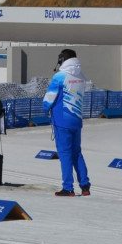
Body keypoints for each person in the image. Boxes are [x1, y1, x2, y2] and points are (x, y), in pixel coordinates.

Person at [43, 48, 90, 197]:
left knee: (64, 154)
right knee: (77, 153)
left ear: (62, 60)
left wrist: (45, 107)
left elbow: (49, 98)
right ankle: (85, 186)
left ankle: (68, 187)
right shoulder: (82, 76)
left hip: (61, 120)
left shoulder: (60, 76)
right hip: (76, 120)